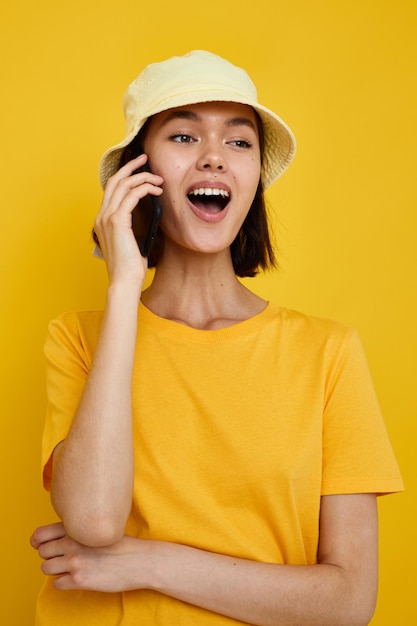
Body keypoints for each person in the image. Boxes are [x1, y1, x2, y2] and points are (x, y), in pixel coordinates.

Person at [31, 50, 403, 626]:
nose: (213, 159)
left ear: (254, 176)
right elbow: (94, 523)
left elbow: (348, 604)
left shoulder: (328, 353)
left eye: (238, 141)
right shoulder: (79, 338)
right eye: (182, 137)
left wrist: (145, 562)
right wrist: (124, 285)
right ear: (140, 172)